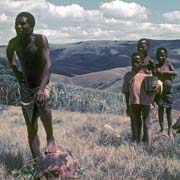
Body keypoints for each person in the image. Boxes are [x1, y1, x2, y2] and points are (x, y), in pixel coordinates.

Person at [6, 12, 56, 160]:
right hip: (26, 87)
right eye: (17, 23)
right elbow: (11, 57)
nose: (18, 26)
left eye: (22, 23)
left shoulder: (40, 40)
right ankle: (37, 160)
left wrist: (41, 89)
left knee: (42, 102)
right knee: (31, 124)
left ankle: (51, 139)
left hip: (42, 84)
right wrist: (16, 73)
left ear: (32, 26)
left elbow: (48, 64)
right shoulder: (13, 43)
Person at [123, 52, 160, 147]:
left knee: (147, 124)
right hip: (134, 103)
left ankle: (149, 145)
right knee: (136, 123)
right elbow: (126, 93)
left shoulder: (147, 75)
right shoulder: (128, 76)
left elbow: (156, 86)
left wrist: (157, 88)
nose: (135, 64)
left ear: (142, 62)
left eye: (138, 62)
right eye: (133, 62)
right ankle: (137, 143)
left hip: (145, 103)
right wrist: (128, 106)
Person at [154, 48, 177, 137]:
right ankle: (162, 128)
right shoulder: (156, 66)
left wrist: (164, 72)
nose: (161, 57)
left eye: (163, 55)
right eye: (159, 55)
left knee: (168, 111)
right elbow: (153, 74)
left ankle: (170, 129)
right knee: (160, 110)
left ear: (166, 56)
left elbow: (175, 72)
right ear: (156, 56)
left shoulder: (168, 64)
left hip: (168, 92)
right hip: (160, 92)